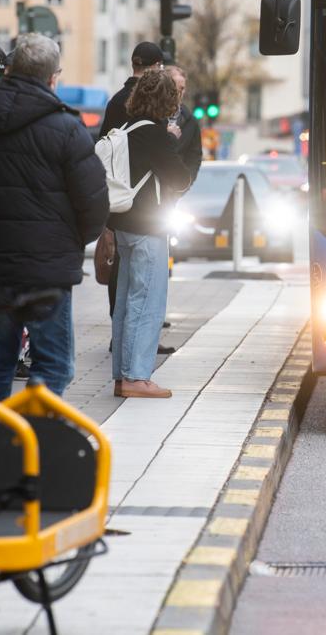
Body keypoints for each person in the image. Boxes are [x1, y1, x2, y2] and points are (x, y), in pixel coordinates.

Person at [0, 34, 109, 402]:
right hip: (45, 272)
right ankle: (34, 444)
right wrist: (70, 243)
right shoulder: (66, 128)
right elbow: (94, 203)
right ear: (53, 77)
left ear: (10, 68)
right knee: (54, 365)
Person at [108, 69, 191, 399]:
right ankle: (137, 378)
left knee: (126, 304)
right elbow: (181, 178)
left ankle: (121, 376)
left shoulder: (126, 130)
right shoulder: (156, 135)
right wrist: (171, 140)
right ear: (167, 100)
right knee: (147, 301)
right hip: (148, 228)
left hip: (125, 225)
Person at [100, 41, 166, 318]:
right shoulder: (152, 104)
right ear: (156, 67)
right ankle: (135, 340)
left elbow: (103, 147)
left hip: (116, 198)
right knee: (144, 284)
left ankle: (120, 331)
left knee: (121, 271)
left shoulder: (116, 100)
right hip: (146, 207)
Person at [165, 65, 204, 186]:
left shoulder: (191, 122)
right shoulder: (151, 116)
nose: (179, 93)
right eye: (175, 88)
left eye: (182, 89)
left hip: (173, 193)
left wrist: (184, 185)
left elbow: (194, 157)